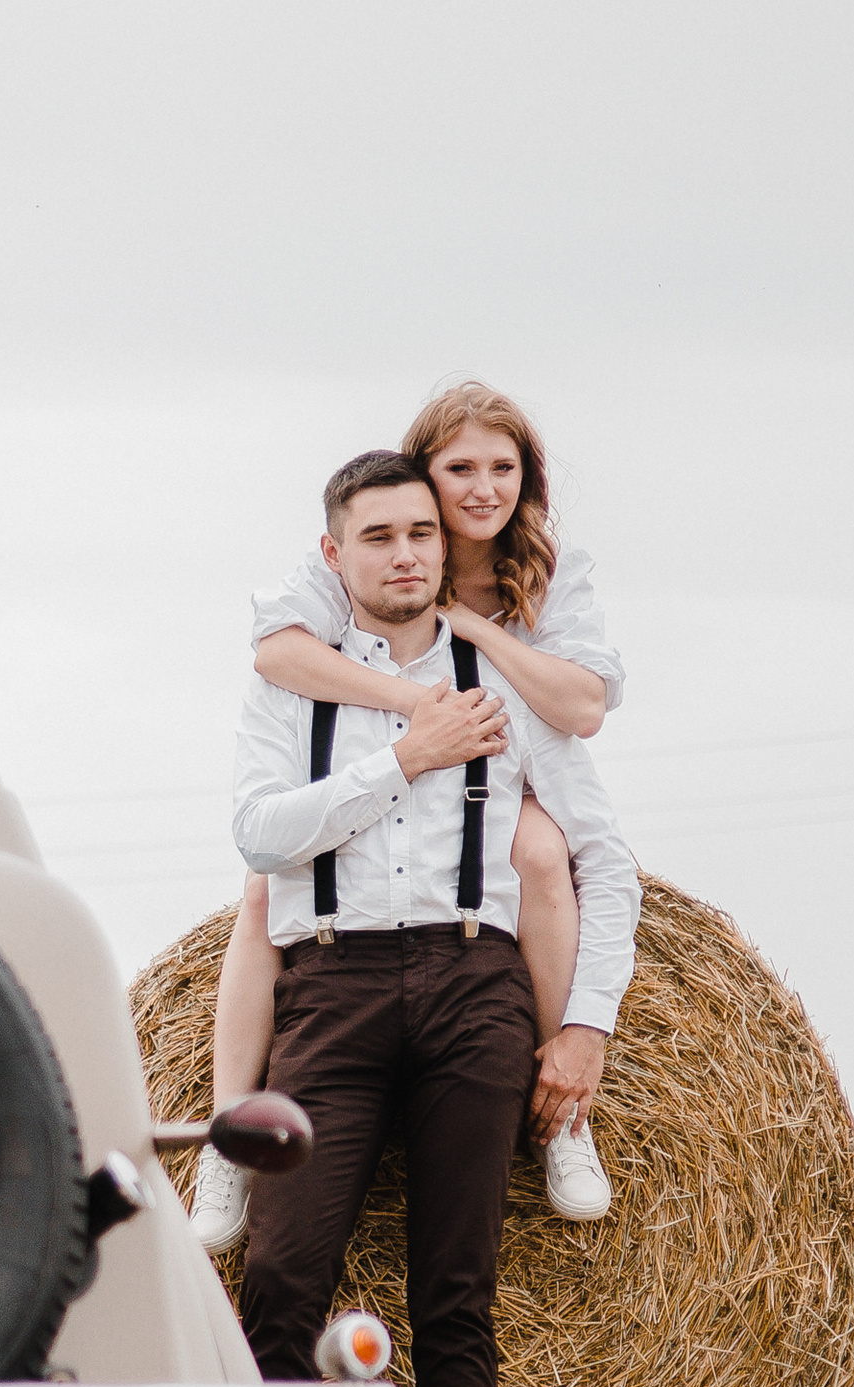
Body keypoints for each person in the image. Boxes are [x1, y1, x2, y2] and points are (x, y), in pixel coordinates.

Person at [226, 448, 638, 1387]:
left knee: (456, 1291)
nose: (405, 553)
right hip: (334, 987)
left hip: (472, 982)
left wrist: (583, 1026)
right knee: (281, 1275)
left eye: (420, 534)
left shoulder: (502, 674)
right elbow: (258, 832)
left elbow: (599, 853)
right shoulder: (291, 683)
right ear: (333, 555)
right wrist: (399, 758)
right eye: (378, 537)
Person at [194, 381, 625, 1251]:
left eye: (502, 468)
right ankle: (228, 1136)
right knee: (261, 888)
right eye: (458, 468)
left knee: (543, 858)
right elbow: (277, 652)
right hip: (423, 752)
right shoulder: (358, 555)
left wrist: (475, 633)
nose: (481, 489)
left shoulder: (549, 570)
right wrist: (414, 711)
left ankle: (566, 1108)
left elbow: (582, 707)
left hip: (510, 756)